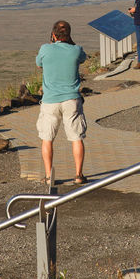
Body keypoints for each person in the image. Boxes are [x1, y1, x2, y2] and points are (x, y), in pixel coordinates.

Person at [35, 20, 87, 186]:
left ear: (54, 34)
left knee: (47, 138)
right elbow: (83, 59)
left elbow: (38, 64)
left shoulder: (45, 49)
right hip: (71, 99)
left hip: (50, 101)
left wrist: (52, 44)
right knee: (76, 137)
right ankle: (78, 175)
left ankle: (49, 176)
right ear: (69, 35)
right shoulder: (76, 50)